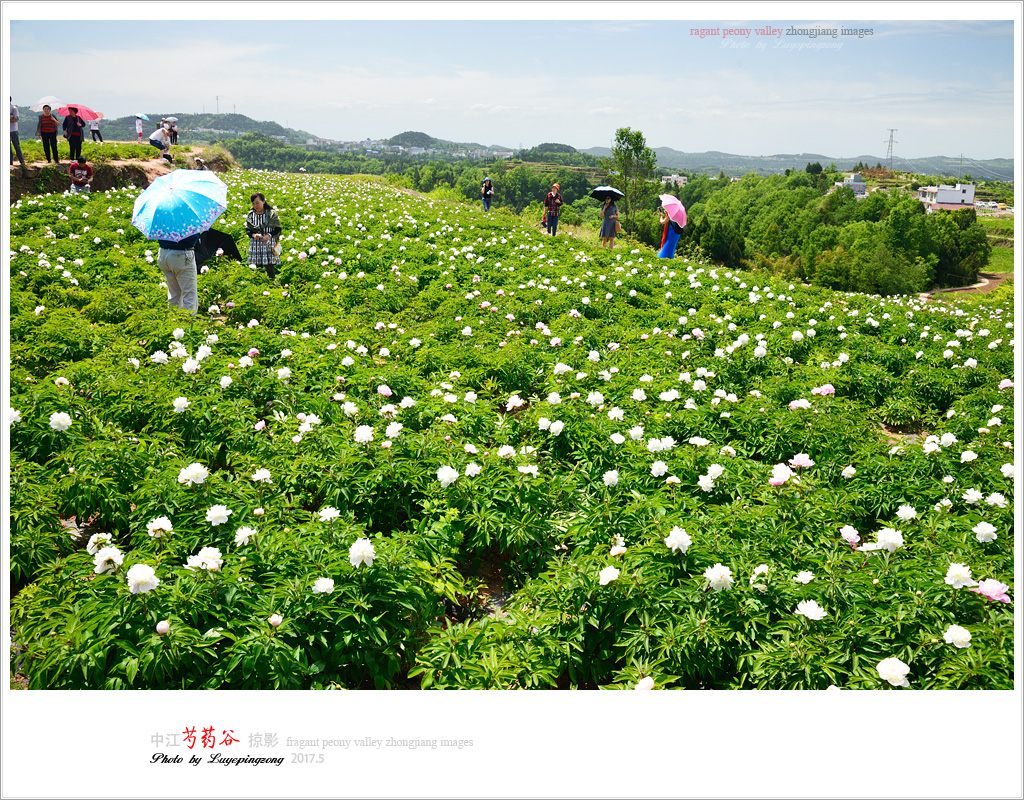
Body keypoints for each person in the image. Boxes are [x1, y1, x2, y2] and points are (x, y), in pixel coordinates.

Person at [157, 232, 201, 314]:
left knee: (174, 293)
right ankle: (188, 323)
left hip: (163, 253)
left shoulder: (162, 219)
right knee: (189, 294)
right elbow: (193, 238)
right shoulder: (186, 219)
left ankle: (174, 321)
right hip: (180, 255)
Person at [245, 193, 283, 280]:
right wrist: (254, 235)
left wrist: (269, 235)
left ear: (264, 201)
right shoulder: (251, 215)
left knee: (270, 266)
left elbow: (277, 228)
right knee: (257, 266)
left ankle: (272, 283)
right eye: (253, 203)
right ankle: (259, 284)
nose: (255, 205)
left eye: (257, 203)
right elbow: (248, 230)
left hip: (268, 242)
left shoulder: (271, 214)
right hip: (256, 244)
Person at [10, 98, 26, 171]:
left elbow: (15, 119)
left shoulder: (14, 108)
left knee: (16, 145)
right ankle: (10, 161)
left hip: (13, 129)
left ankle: (21, 161)